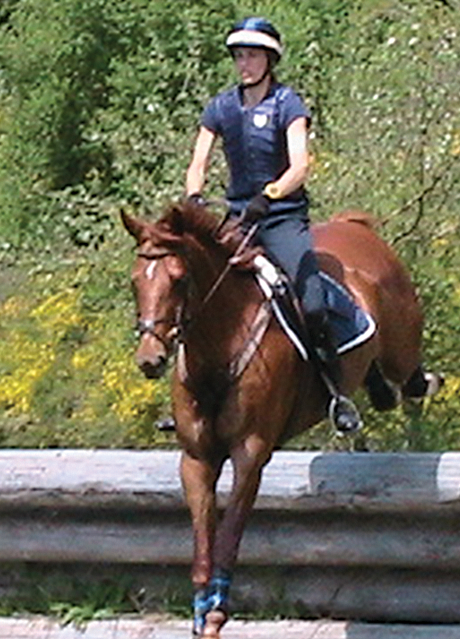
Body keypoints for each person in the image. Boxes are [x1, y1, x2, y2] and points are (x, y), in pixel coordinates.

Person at [185, 17, 361, 433]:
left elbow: (300, 165)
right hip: (238, 218)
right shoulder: (221, 107)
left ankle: (337, 394)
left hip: (280, 216)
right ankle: (193, 395)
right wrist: (194, 198)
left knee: (313, 302)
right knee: (193, 293)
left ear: (269, 59)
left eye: (252, 55)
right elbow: (199, 161)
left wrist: (271, 194)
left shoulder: (288, 104)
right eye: (239, 56)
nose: (244, 64)